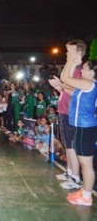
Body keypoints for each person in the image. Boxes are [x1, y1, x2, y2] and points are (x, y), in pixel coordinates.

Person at [60, 41, 97, 206]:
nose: (82, 69)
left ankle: (87, 197)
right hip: (82, 127)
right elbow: (66, 84)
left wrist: (71, 61)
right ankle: (85, 191)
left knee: (86, 165)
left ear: (92, 73)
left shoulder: (88, 84)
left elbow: (65, 78)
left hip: (85, 128)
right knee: (85, 164)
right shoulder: (86, 85)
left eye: (86, 68)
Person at [49, 40, 85, 190]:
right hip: (64, 110)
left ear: (78, 53)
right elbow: (66, 88)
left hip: (71, 112)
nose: (66, 54)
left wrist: (61, 85)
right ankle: (69, 172)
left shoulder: (79, 71)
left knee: (71, 147)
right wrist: (59, 87)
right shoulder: (72, 69)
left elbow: (73, 90)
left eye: (69, 51)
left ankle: (75, 177)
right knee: (67, 145)